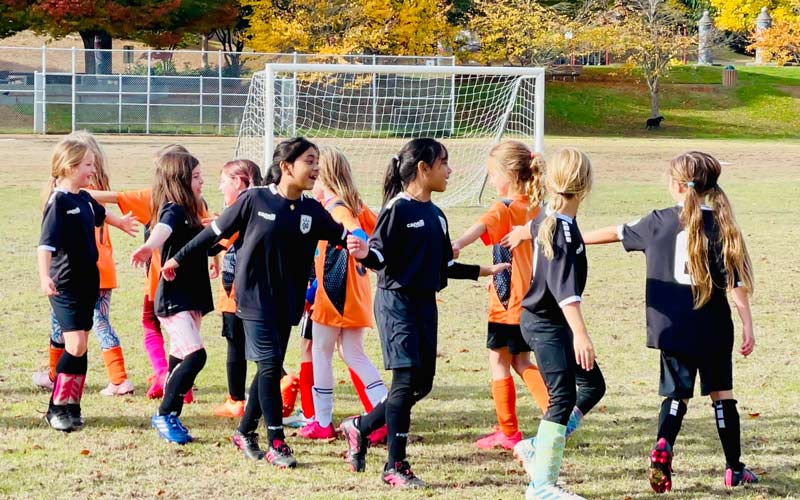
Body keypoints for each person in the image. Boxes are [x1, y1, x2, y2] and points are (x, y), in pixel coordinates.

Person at [160, 137, 364, 468]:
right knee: (269, 367)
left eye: (317, 162)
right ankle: (277, 442)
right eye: (309, 161)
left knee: (267, 370)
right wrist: (178, 259)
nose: (316, 168)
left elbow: (347, 237)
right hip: (253, 301)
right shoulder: (253, 199)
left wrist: (371, 248)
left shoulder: (312, 210)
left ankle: (244, 432)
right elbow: (212, 233)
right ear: (286, 166)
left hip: (288, 303)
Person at [582, 151, 758, 493]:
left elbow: (616, 233)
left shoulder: (658, 221)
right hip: (713, 328)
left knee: (676, 395)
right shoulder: (724, 226)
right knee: (722, 396)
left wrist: (572, 236)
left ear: (677, 185)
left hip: (673, 328)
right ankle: (734, 468)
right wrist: (748, 325)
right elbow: (737, 285)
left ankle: (664, 444)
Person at [343, 138, 510, 488]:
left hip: (424, 305)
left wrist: (486, 271)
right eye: (444, 163)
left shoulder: (436, 215)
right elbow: (379, 257)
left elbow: (443, 264)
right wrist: (362, 254)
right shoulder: (397, 210)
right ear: (423, 168)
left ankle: (360, 427)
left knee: (422, 384)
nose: (450, 171)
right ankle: (395, 466)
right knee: (405, 382)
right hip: (396, 304)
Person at [502, 147, 605, 500]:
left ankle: (535, 446)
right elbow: (566, 294)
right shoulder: (561, 230)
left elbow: (535, 224)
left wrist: (521, 233)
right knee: (561, 400)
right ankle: (541, 486)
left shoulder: (552, 215)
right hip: (547, 323)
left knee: (592, 387)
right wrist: (582, 335)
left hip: (547, 321)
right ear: (586, 185)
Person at [450, 141, 549, 450]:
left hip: (509, 302)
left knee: (500, 361)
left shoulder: (504, 207)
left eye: (492, 174)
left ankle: (510, 432)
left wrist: (457, 245)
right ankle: (557, 416)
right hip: (534, 298)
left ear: (507, 175)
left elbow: (481, 227)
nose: (491, 181)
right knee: (521, 359)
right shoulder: (536, 206)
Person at [37, 137, 137, 432]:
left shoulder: (83, 197)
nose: (93, 170)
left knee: (81, 346)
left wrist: (121, 223)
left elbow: (101, 213)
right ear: (70, 166)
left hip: (88, 282)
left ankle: (73, 405)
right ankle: (55, 407)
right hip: (64, 284)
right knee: (76, 343)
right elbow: (44, 245)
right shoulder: (58, 202)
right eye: (88, 165)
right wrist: (45, 276)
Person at [299, 146, 388, 440]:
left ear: (323, 175)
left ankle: (322, 422)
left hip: (336, 291)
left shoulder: (336, 206)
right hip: (357, 291)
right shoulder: (359, 205)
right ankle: (384, 416)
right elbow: (382, 237)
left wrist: (358, 238)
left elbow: (356, 231)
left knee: (322, 352)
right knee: (353, 353)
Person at [130, 149, 213, 444]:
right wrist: (149, 247)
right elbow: (162, 230)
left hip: (193, 295)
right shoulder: (174, 208)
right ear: (179, 180)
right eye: (195, 177)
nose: (202, 181)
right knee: (196, 355)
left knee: (179, 357)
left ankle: (172, 414)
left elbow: (202, 243)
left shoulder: (192, 210)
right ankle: (164, 413)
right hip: (173, 298)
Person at [211, 159, 264, 419]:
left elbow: (214, 244)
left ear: (238, 181)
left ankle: (236, 400)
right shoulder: (264, 204)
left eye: (223, 181)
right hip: (261, 290)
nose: (220, 187)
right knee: (260, 345)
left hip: (236, 292)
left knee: (236, 345)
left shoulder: (240, 208)